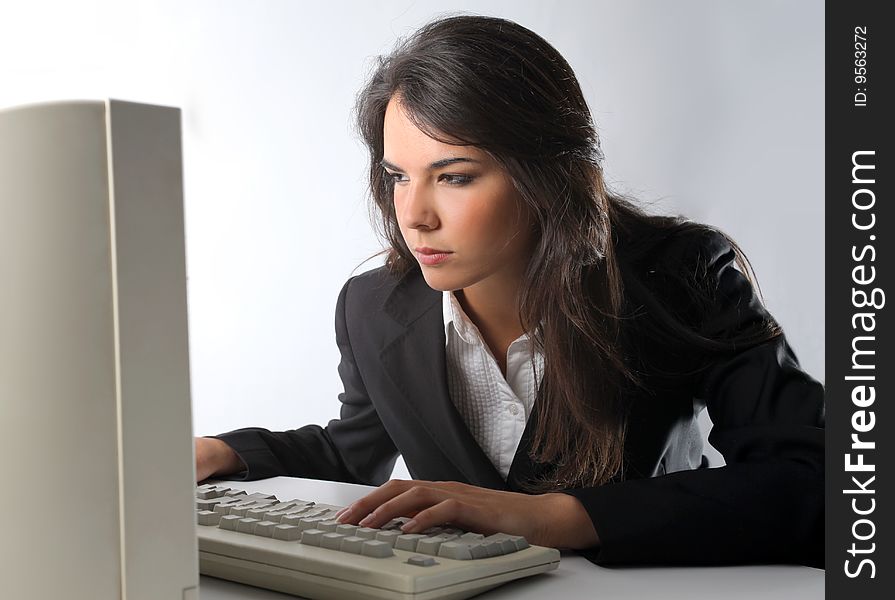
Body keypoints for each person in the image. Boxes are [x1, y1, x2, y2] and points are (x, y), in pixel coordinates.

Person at [194, 14, 824, 568]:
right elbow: (352, 452)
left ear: (549, 175)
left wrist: (556, 517)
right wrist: (219, 452)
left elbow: (812, 479)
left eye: (455, 176)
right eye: (397, 177)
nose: (413, 214)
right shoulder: (371, 307)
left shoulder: (681, 273)